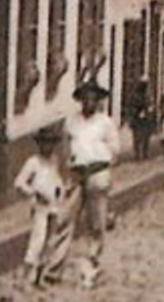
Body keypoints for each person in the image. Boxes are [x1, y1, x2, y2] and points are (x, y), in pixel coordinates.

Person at [64, 80, 120, 290]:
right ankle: (53, 268)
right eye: (85, 98)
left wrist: (102, 165)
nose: (89, 102)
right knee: (65, 218)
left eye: (93, 98)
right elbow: (67, 146)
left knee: (95, 221)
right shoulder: (72, 121)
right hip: (77, 174)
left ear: (98, 101)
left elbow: (115, 150)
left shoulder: (105, 123)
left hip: (97, 173)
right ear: (80, 100)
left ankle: (92, 263)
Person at [14, 127, 70, 288]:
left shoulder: (54, 161)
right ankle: (25, 276)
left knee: (50, 241)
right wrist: (34, 192)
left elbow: (56, 179)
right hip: (40, 206)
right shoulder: (33, 162)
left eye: (51, 144)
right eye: (44, 143)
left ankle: (39, 276)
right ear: (39, 144)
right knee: (37, 240)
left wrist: (61, 190)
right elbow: (19, 183)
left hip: (54, 204)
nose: (48, 147)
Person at [126, 77, 155, 162]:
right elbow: (131, 107)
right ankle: (138, 154)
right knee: (138, 137)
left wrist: (149, 111)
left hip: (145, 119)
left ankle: (143, 153)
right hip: (137, 119)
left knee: (145, 136)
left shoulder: (147, 95)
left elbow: (150, 105)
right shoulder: (135, 95)